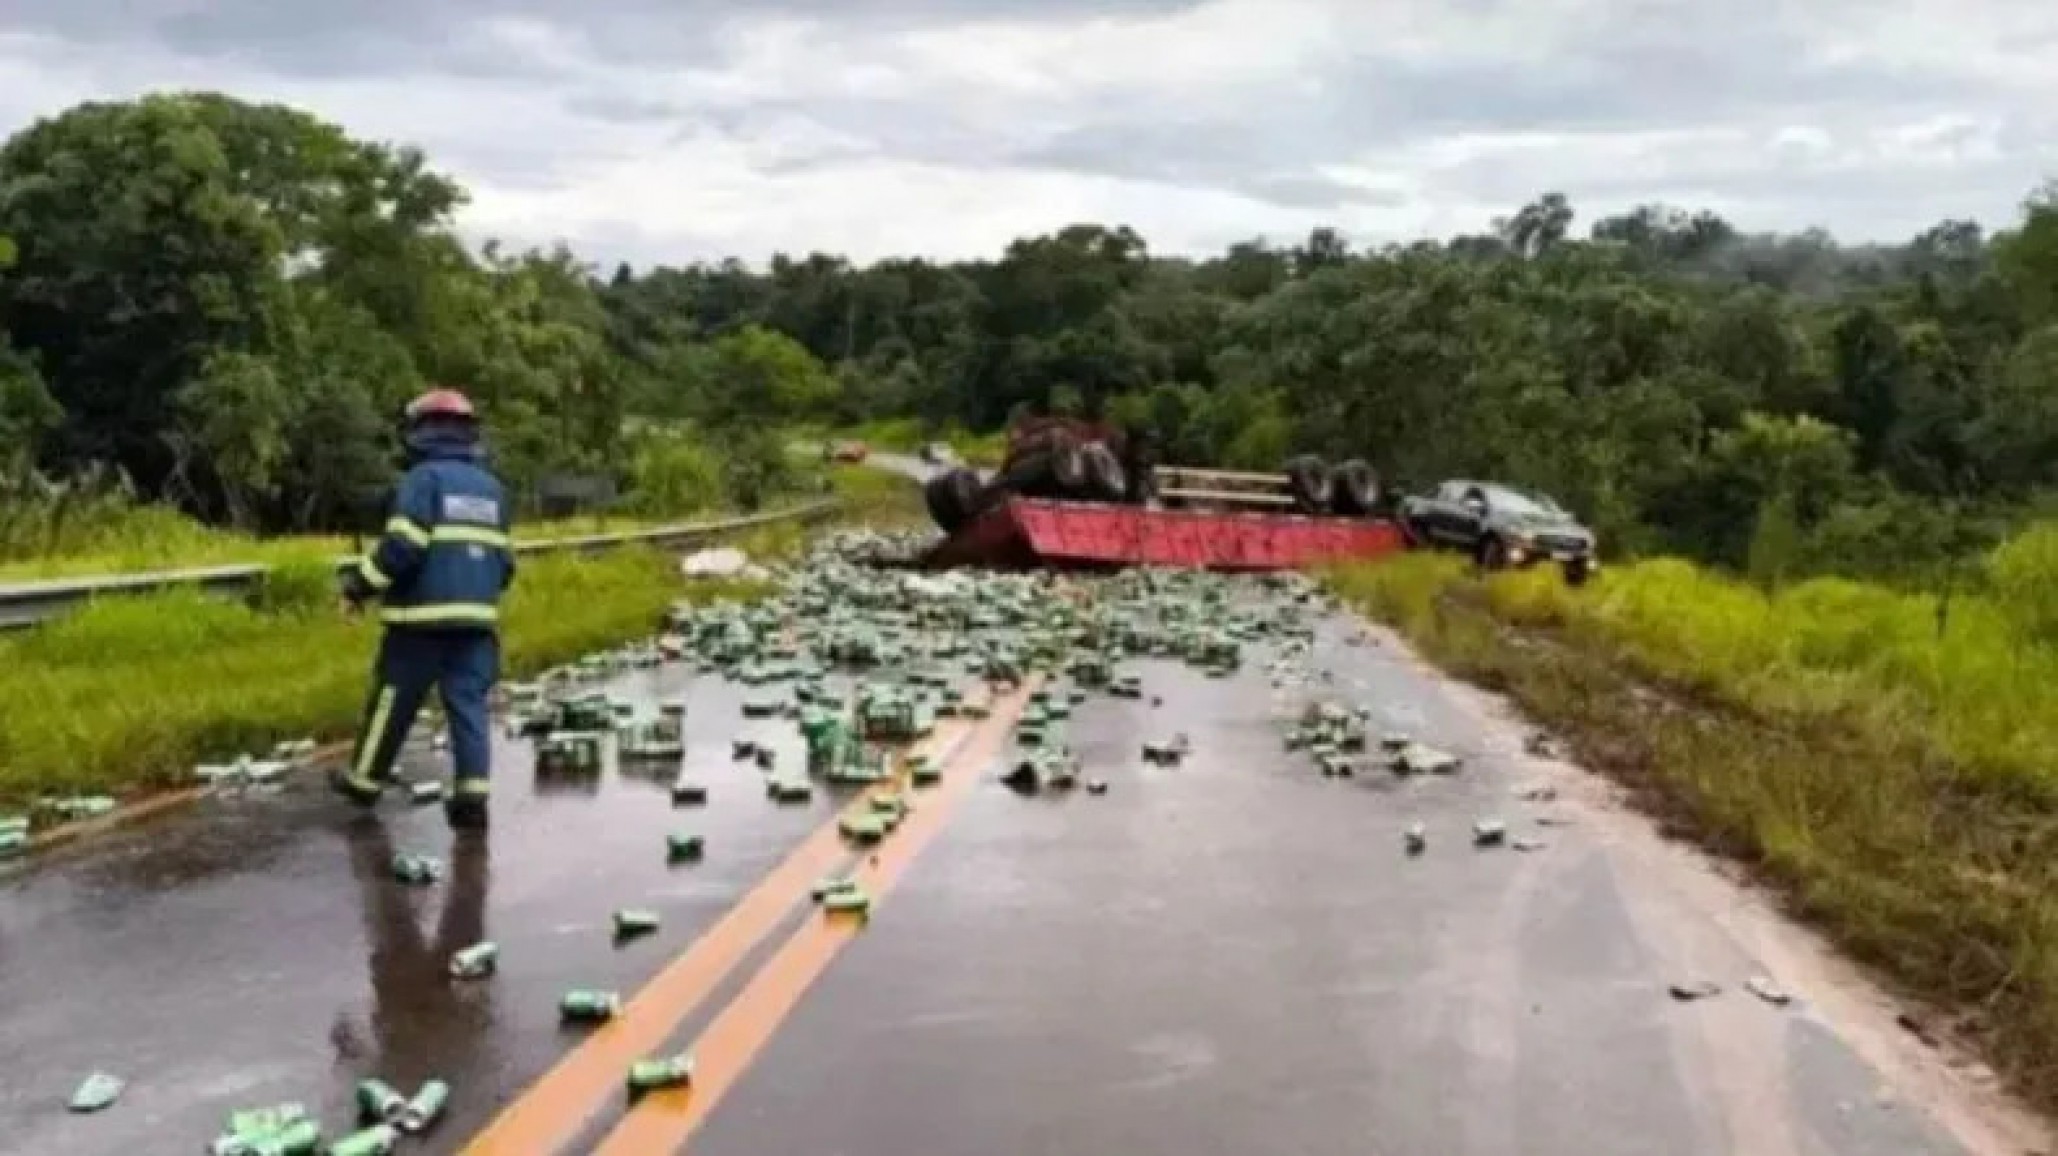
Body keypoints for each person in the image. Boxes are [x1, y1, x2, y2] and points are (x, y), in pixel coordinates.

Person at [332, 388, 516, 831]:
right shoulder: (492, 490)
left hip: (418, 622)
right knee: (468, 706)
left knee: (392, 701)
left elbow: (402, 547)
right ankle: (472, 797)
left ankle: (363, 781)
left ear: (420, 431)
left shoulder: (422, 481)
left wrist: (357, 587)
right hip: (476, 622)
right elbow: (505, 563)